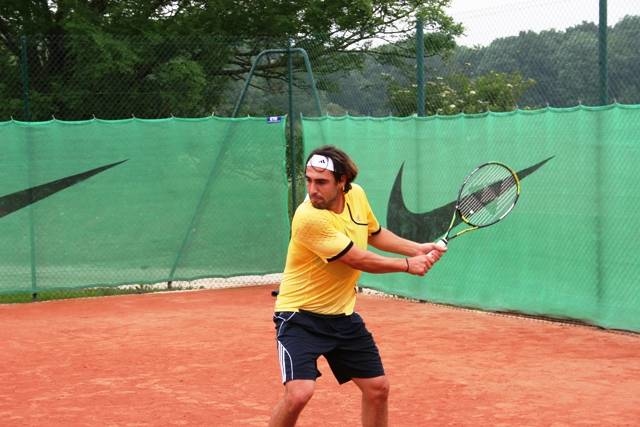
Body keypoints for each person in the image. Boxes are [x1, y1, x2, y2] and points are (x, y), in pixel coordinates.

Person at [269, 145, 446, 427]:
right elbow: (356, 258)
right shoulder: (308, 217)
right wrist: (407, 265)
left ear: (342, 181)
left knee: (377, 388)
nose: (313, 189)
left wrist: (417, 249)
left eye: (321, 182)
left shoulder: (357, 196)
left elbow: (374, 233)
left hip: (342, 316)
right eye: (309, 180)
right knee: (299, 394)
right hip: (299, 316)